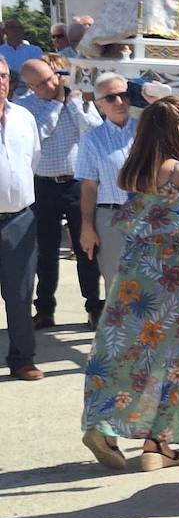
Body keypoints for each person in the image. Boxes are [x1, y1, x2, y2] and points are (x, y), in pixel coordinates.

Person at [79, 98, 179, 472]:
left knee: (128, 350)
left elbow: (157, 209)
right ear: (176, 129)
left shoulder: (137, 169)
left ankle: (103, 422)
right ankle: (157, 442)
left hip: (138, 271)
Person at [17, 57, 104, 329]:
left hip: (77, 184)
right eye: (41, 84)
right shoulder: (26, 107)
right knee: (46, 249)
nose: (51, 85)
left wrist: (73, 102)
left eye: (51, 78)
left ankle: (94, 306)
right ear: (30, 87)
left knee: (86, 247)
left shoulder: (78, 100)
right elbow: (38, 135)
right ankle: (44, 309)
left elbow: (93, 129)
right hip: (43, 184)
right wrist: (55, 104)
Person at [75, 73, 136, 300]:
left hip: (148, 215)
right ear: (99, 104)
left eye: (124, 95)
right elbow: (89, 186)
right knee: (117, 285)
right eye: (111, 98)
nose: (120, 102)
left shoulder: (147, 132)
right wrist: (87, 227)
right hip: (111, 217)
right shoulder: (92, 139)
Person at [0, 61, 42, 380]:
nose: (0, 82)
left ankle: (22, 359)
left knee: (21, 292)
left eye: (3, 76)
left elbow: (33, 159)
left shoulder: (24, 117)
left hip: (20, 220)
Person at [2, 19, 42, 84]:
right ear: (4, 31)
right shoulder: (1, 51)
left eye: (19, 28)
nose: (15, 30)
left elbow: (38, 72)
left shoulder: (34, 51)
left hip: (30, 89)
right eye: (11, 27)